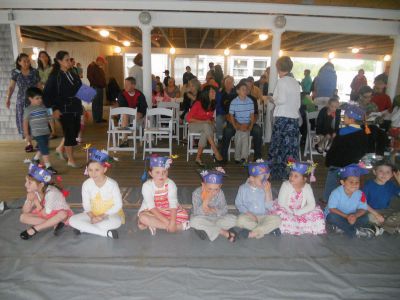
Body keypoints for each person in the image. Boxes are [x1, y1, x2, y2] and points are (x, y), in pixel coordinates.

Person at [69, 147, 124, 239]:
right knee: (72, 220)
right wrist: (92, 217)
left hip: (110, 214)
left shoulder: (112, 184)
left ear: (104, 169)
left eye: (97, 170)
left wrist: (101, 217)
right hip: (93, 213)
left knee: (116, 222)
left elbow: (118, 205)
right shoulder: (86, 184)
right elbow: (86, 204)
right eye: (90, 170)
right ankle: (105, 233)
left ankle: (84, 228)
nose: (93, 173)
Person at [43, 50, 83, 168]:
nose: (69, 61)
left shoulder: (73, 73)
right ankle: (71, 160)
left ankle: (60, 148)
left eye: (69, 59)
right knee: (70, 133)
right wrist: (54, 109)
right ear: (59, 61)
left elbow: (80, 88)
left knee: (75, 130)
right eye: (66, 60)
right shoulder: (55, 77)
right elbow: (46, 95)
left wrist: (88, 97)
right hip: (63, 109)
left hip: (75, 106)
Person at [323, 104, 368, 202]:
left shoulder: (342, 132)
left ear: (351, 120)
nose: (343, 119)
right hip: (352, 165)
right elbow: (364, 150)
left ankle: (326, 200)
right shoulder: (363, 133)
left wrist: (328, 161)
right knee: (351, 184)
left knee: (331, 182)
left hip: (337, 164)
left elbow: (334, 149)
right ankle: (349, 201)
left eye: (345, 117)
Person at [269, 161, 326, 235]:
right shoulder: (285, 185)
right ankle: (291, 226)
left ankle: (300, 226)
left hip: (301, 211)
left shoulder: (307, 187)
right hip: (286, 209)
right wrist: (291, 212)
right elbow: (281, 202)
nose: (291, 177)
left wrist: (298, 212)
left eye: (296, 176)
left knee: (318, 213)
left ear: (304, 179)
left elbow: (311, 204)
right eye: (291, 175)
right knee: (279, 215)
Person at [268, 56, 301, 180]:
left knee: (278, 146)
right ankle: (291, 174)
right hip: (293, 119)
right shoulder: (295, 82)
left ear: (278, 68)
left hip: (283, 118)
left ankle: (276, 172)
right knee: (291, 148)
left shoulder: (282, 81)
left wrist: (272, 98)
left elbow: (281, 100)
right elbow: (298, 103)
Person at [138, 156, 190, 235]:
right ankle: (179, 227)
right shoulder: (147, 186)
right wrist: (170, 223)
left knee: (184, 216)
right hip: (152, 210)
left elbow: (173, 203)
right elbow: (151, 207)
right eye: (157, 172)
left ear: (167, 172)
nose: (161, 175)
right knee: (142, 218)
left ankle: (153, 224)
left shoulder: (171, 184)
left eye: (164, 172)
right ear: (151, 173)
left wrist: (172, 222)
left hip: (167, 209)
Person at [19, 164, 73, 240]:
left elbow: (46, 213)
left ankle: (35, 229)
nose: (25, 184)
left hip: (56, 213)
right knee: (22, 217)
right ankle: (54, 223)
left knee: (62, 214)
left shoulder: (52, 193)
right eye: (26, 181)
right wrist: (29, 200)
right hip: (46, 214)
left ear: (41, 185)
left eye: (30, 182)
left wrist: (37, 205)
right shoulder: (34, 192)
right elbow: (25, 211)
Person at [325, 164, 380, 238]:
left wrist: (355, 216)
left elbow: (363, 208)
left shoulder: (360, 194)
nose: (354, 185)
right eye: (351, 182)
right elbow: (332, 209)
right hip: (339, 215)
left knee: (365, 218)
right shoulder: (336, 192)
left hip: (352, 216)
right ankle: (354, 232)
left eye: (357, 182)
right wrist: (347, 216)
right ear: (343, 182)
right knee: (331, 217)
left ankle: (342, 227)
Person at [235, 160, 281, 239]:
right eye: (262, 180)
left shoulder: (266, 188)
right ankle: (266, 230)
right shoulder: (243, 188)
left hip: (264, 216)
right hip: (249, 216)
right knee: (240, 220)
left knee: (277, 219)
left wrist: (267, 193)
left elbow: (269, 207)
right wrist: (249, 214)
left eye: (266, 178)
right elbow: (238, 204)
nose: (265, 182)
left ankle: (253, 233)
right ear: (252, 179)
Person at [190, 167, 238, 242]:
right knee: (193, 221)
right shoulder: (196, 193)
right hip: (202, 218)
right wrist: (205, 202)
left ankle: (208, 229)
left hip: (217, 218)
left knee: (234, 219)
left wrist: (215, 211)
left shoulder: (220, 193)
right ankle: (223, 232)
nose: (213, 192)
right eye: (209, 189)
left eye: (216, 189)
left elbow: (225, 209)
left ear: (220, 186)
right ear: (203, 185)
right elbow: (196, 212)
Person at [5, 53, 41, 152]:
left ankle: (38, 141)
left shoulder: (34, 71)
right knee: (24, 121)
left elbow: (39, 85)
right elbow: (11, 87)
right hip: (21, 100)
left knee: (36, 120)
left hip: (34, 100)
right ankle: (29, 143)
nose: (27, 63)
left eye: (28, 60)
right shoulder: (15, 72)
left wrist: (41, 99)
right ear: (19, 62)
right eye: (24, 61)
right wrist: (8, 98)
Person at [221, 79, 263, 163]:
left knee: (258, 130)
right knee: (227, 131)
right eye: (245, 87)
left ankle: (257, 157)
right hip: (235, 123)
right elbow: (228, 115)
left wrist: (249, 124)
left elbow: (255, 115)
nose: (247, 89)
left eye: (249, 87)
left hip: (249, 123)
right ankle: (223, 156)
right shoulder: (232, 98)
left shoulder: (252, 100)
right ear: (238, 89)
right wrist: (238, 125)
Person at [186, 86, 223, 166]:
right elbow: (188, 118)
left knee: (205, 132)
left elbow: (210, 117)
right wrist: (204, 121)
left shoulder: (213, 103)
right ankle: (215, 151)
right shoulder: (198, 103)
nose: (214, 93)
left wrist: (212, 120)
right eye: (212, 91)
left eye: (214, 91)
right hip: (194, 125)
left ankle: (198, 158)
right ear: (206, 93)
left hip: (206, 127)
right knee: (206, 126)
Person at [23, 87, 57, 173]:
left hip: (46, 131)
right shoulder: (28, 110)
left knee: (43, 146)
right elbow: (25, 123)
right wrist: (27, 135)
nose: (40, 100)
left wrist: (53, 130)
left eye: (41, 98)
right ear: (30, 99)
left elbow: (50, 118)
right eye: (37, 98)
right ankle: (48, 166)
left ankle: (35, 159)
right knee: (45, 148)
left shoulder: (44, 107)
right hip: (37, 133)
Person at [363, 161, 400, 234]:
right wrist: (376, 214)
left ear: (392, 175)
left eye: (388, 172)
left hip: (386, 211)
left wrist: (399, 180)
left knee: (391, 217)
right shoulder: (368, 185)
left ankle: (384, 227)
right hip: (371, 211)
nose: (384, 174)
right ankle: (391, 227)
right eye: (381, 171)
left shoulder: (391, 185)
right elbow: (362, 202)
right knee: (368, 218)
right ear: (374, 172)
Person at [117, 77, 148, 147]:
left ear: (133, 85)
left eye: (127, 84)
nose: (125, 86)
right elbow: (123, 107)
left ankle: (131, 129)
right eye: (125, 84)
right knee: (125, 114)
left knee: (142, 114)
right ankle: (125, 140)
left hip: (137, 116)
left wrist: (140, 113)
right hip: (125, 116)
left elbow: (144, 107)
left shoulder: (139, 94)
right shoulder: (122, 94)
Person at [229, 82, 255, 164]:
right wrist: (236, 126)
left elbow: (252, 115)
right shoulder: (234, 102)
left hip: (247, 124)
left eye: (246, 89)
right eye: (243, 89)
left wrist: (250, 126)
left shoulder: (250, 101)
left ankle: (241, 157)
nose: (245, 91)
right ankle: (240, 157)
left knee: (244, 137)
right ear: (238, 91)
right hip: (238, 124)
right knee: (238, 138)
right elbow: (231, 116)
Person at [358, 85, 388, 156]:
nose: (369, 99)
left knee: (383, 134)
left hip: (372, 126)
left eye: (370, 96)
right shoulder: (355, 105)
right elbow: (350, 120)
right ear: (360, 96)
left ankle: (379, 156)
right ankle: (369, 154)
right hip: (360, 127)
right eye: (366, 97)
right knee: (371, 132)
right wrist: (363, 119)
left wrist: (381, 117)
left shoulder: (373, 105)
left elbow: (378, 120)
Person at [37, 50, 57, 139]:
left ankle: (54, 132)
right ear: (39, 58)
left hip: (50, 93)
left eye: (45, 56)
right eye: (41, 56)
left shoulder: (52, 68)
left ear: (48, 58)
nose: (43, 58)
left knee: (50, 112)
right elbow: (38, 82)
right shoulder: (38, 70)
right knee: (45, 113)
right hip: (41, 94)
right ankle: (49, 131)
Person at [215, 75, 236, 141]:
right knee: (218, 118)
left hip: (234, 114)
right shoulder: (219, 93)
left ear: (233, 84)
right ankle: (219, 137)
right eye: (227, 83)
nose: (228, 84)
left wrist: (231, 114)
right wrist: (226, 114)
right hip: (223, 114)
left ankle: (234, 137)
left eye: (230, 83)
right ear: (224, 84)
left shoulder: (236, 93)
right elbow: (218, 106)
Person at [87, 56, 107, 123]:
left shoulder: (99, 68)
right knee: (96, 103)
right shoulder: (91, 66)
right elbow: (89, 76)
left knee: (100, 103)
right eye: (102, 62)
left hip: (100, 87)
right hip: (95, 87)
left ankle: (100, 118)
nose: (102, 64)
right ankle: (96, 119)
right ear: (99, 60)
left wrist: (103, 84)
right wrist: (95, 84)